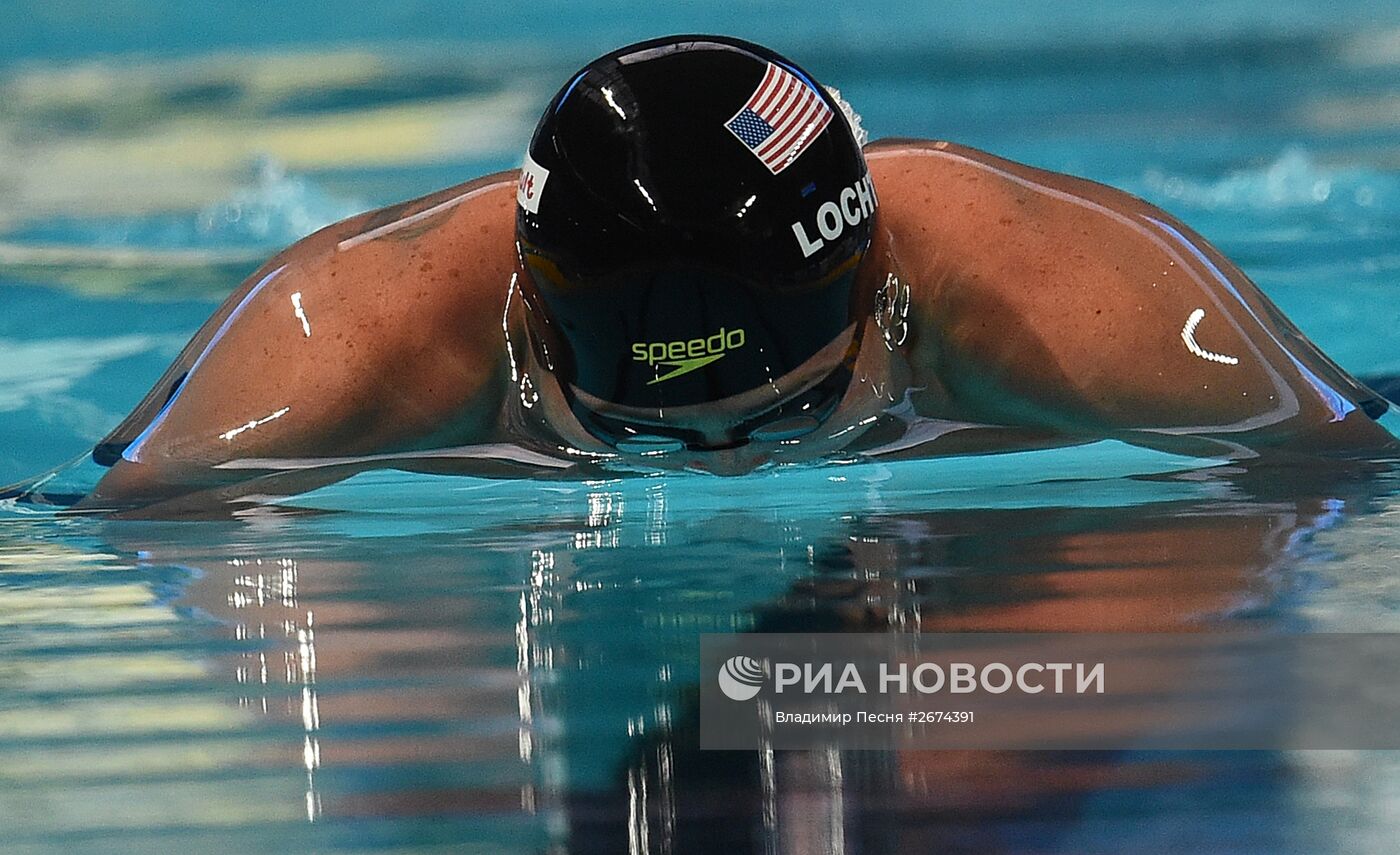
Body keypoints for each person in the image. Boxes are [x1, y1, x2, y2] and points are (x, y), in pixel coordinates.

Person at [79, 35, 1396, 513]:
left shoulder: (1065, 297)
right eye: (647, 436)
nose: (736, 472)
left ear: (880, 280)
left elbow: (1347, 483)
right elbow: (103, 530)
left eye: (789, 414)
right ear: (526, 329)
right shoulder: (346, 341)